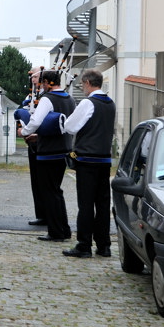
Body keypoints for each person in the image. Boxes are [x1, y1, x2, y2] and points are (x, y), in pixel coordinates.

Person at [61, 69, 115, 258]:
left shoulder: (88, 102)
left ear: (88, 82)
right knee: (102, 204)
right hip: (104, 159)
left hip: (87, 160)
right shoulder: (110, 103)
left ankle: (84, 244)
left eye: (82, 84)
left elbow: (70, 126)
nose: (82, 88)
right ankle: (104, 245)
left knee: (86, 204)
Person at [20, 70, 76, 242]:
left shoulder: (47, 99)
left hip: (49, 152)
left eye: (42, 82)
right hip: (64, 149)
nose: (41, 86)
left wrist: (25, 131)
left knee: (49, 192)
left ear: (47, 82)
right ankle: (64, 228)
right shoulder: (70, 99)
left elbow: (36, 121)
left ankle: (55, 231)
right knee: (56, 191)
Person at [23, 67, 47, 227]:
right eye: (31, 76)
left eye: (36, 76)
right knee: (36, 181)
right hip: (31, 141)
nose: (33, 79)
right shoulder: (31, 96)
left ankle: (48, 215)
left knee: (44, 181)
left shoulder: (46, 97)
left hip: (43, 141)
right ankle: (40, 214)